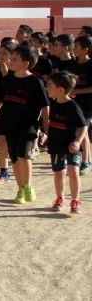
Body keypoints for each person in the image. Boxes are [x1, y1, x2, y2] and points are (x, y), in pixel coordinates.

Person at [0, 45, 50, 205]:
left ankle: (28, 185)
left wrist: (46, 128)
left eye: (15, 59)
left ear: (26, 63)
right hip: (10, 124)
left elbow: (45, 106)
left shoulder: (36, 82)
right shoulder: (7, 79)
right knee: (14, 158)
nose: (10, 61)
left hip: (28, 126)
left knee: (24, 155)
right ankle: (20, 188)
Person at [46, 72, 86, 214]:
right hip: (56, 145)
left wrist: (77, 141)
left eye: (50, 85)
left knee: (73, 171)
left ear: (60, 89)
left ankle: (75, 200)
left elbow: (83, 126)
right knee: (59, 173)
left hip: (71, 146)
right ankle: (60, 198)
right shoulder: (53, 103)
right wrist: (45, 135)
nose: (47, 88)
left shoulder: (72, 106)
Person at [0, 40, 16, 184]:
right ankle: (4, 172)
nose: (0, 55)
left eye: (4, 53)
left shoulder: (18, 73)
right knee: (1, 140)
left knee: (14, 144)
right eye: (0, 53)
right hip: (2, 110)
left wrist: (6, 73)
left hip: (17, 112)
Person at [72, 35, 92, 176]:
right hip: (74, 103)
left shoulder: (91, 65)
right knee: (78, 131)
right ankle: (85, 159)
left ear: (86, 50)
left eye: (76, 46)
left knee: (82, 131)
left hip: (87, 104)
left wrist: (76, 91)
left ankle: (85, 162)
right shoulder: (73, 65)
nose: (74, 49)